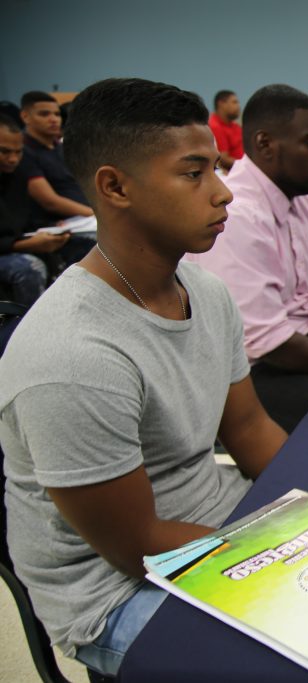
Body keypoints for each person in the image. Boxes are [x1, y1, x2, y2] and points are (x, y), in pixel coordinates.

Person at [0, 77, 287, 678]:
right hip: (116, 590)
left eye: (217, 168)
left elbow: (252, 429)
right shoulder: (73, 355)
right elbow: (136, 546)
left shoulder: (205, 292)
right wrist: (286, 552)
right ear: (114, 187)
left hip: (215, 522)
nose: (223, 194)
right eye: (193, 174)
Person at [188, 84, 308, 433]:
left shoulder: (300, 196)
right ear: (265, 144)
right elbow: (269, 343)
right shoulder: (237, 216)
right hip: (257, 371)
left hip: (303, 339)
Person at [19, 91, 93, 227]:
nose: (53, 119)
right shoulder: (22, 151)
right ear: (25, 116)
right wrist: (95, 214)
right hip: (61, 224)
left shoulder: (61, 147)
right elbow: (50, 202)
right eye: (44, 114)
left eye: (57, 114)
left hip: (87, 217)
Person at [0, 113, 50, 304]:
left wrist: (52, 227)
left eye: (18, 152)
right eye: (4, 152)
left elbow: (22, 220)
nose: (13, 159)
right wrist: (23, 245)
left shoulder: (17, 176)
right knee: (29, 268)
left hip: (18, 244)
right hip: (10, 253)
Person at [208, 89, 244, 173]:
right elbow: (223, 159)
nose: (238, 106)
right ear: (221, 104)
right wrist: (248, 166)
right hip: (234, 175)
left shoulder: (235, 126)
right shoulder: (215, 127)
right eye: (234, 102)